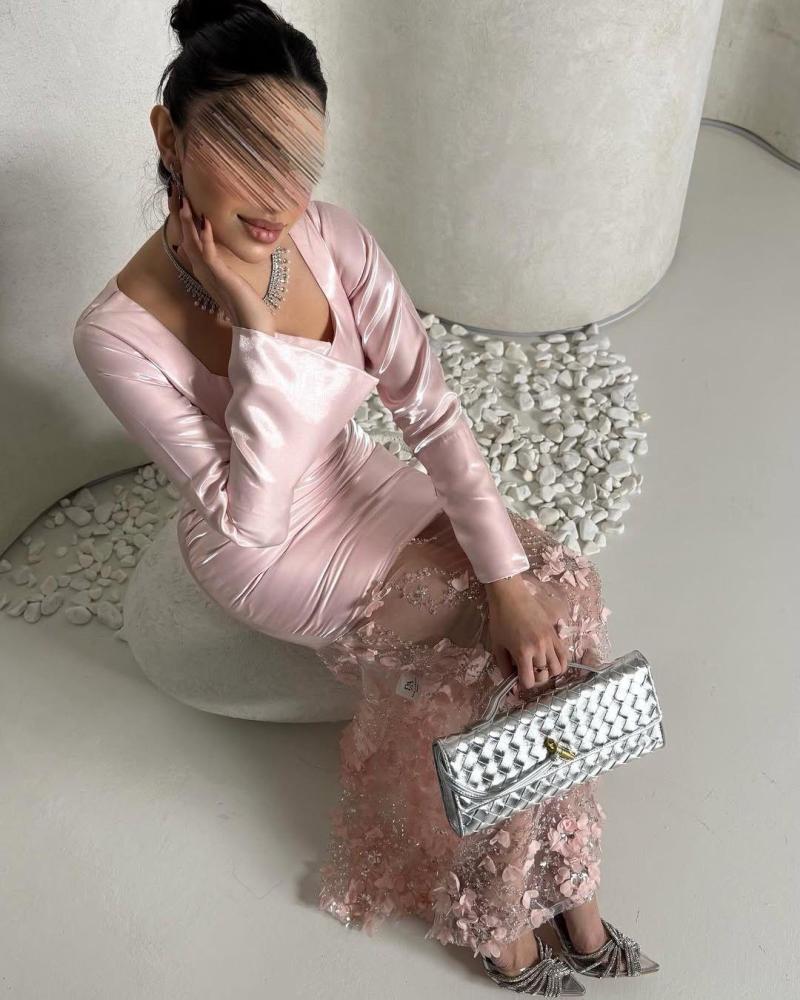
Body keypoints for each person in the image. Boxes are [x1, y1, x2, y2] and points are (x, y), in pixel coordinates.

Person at [72, 2, 659, 993]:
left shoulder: (332, 240)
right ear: (169, 135)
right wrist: (260, 335)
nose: (280, 194)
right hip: (267, 548)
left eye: (300, 158)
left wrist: (506, 576)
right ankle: (508, 922)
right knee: (491, 656)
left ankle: (569, 893)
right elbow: (251, 514)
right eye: (248, 148)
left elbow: (427, 410)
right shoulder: (114, 335)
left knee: (551, 591)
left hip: (360, 481)